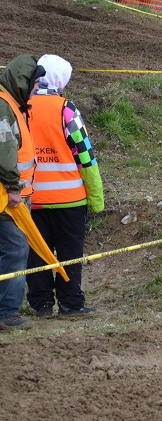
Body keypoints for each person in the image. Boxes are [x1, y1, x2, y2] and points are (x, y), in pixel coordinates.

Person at [25, 55, 104, 317]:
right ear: (60, 79)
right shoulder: (66, 109)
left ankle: (41, 305)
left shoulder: (21, 106)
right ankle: (70, 303)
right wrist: (96, 197)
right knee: (69, 253)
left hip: (31, 199)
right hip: (70, 199)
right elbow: (86, 156)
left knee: (36, 253)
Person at [0, 55, 45, 330]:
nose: (37, 89)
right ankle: (7, 313)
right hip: (8, 197)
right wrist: (15, 188)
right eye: (35, 83)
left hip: (8, 194)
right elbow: (5, 152)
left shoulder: (12, 104)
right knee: (15, 250)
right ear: (21, 81)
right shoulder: (4, 106)